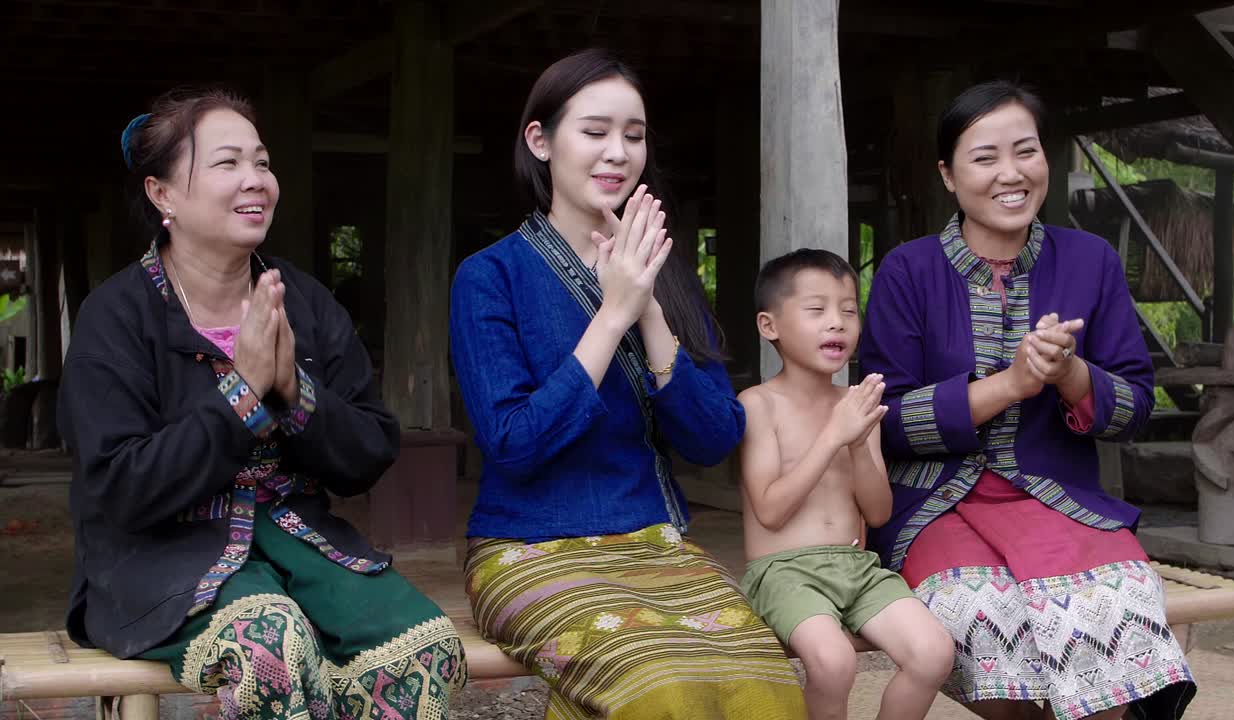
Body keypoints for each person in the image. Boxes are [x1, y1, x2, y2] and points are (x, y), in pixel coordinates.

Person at [58, 88, 465, 720]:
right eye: (228, 164)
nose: (256, 181)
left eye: (263, 162)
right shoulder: (114, 317)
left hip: (296, 542)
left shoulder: (302, 302)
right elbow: (119, 488)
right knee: (268, 643)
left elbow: (370, 451)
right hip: (159, 560)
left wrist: (294, 394)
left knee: (422, 652)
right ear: (162, 194)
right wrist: (241, 396)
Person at [449, 49, 805, 719]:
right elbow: (514, 444)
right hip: (527, 549)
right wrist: (612, 315)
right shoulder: (489, 276)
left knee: (767, 686)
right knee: (659, 689)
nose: (618, 152)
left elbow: (713, 437)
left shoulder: (660, 276)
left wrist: (648, 307)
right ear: (540, 140)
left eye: (633, 135)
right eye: (594, 131)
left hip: (654, 543)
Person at [859, 80, 1196, 720]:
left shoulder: (1090, 261)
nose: (1010, 174)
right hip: (937, 505)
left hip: (1060, 498)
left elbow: (1136, 407)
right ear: (948, 176)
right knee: (988, 623)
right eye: (985, 158)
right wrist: (1009, 386)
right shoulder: (907, 271)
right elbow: (888, 421)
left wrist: (1071, 375)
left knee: (1119, 612)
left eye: (1026, 151)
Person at [738, 249, 954, 720]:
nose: (836, 323)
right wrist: (834, 435)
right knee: (834, 662)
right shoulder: (759, 405)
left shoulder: (857, 405)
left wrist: (856, 443)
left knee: (933, 652)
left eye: (849, 311)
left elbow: (877, 513)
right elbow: (771, 511)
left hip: (857, 567)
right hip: (784, 572)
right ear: (769, 325)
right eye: (816, 311)